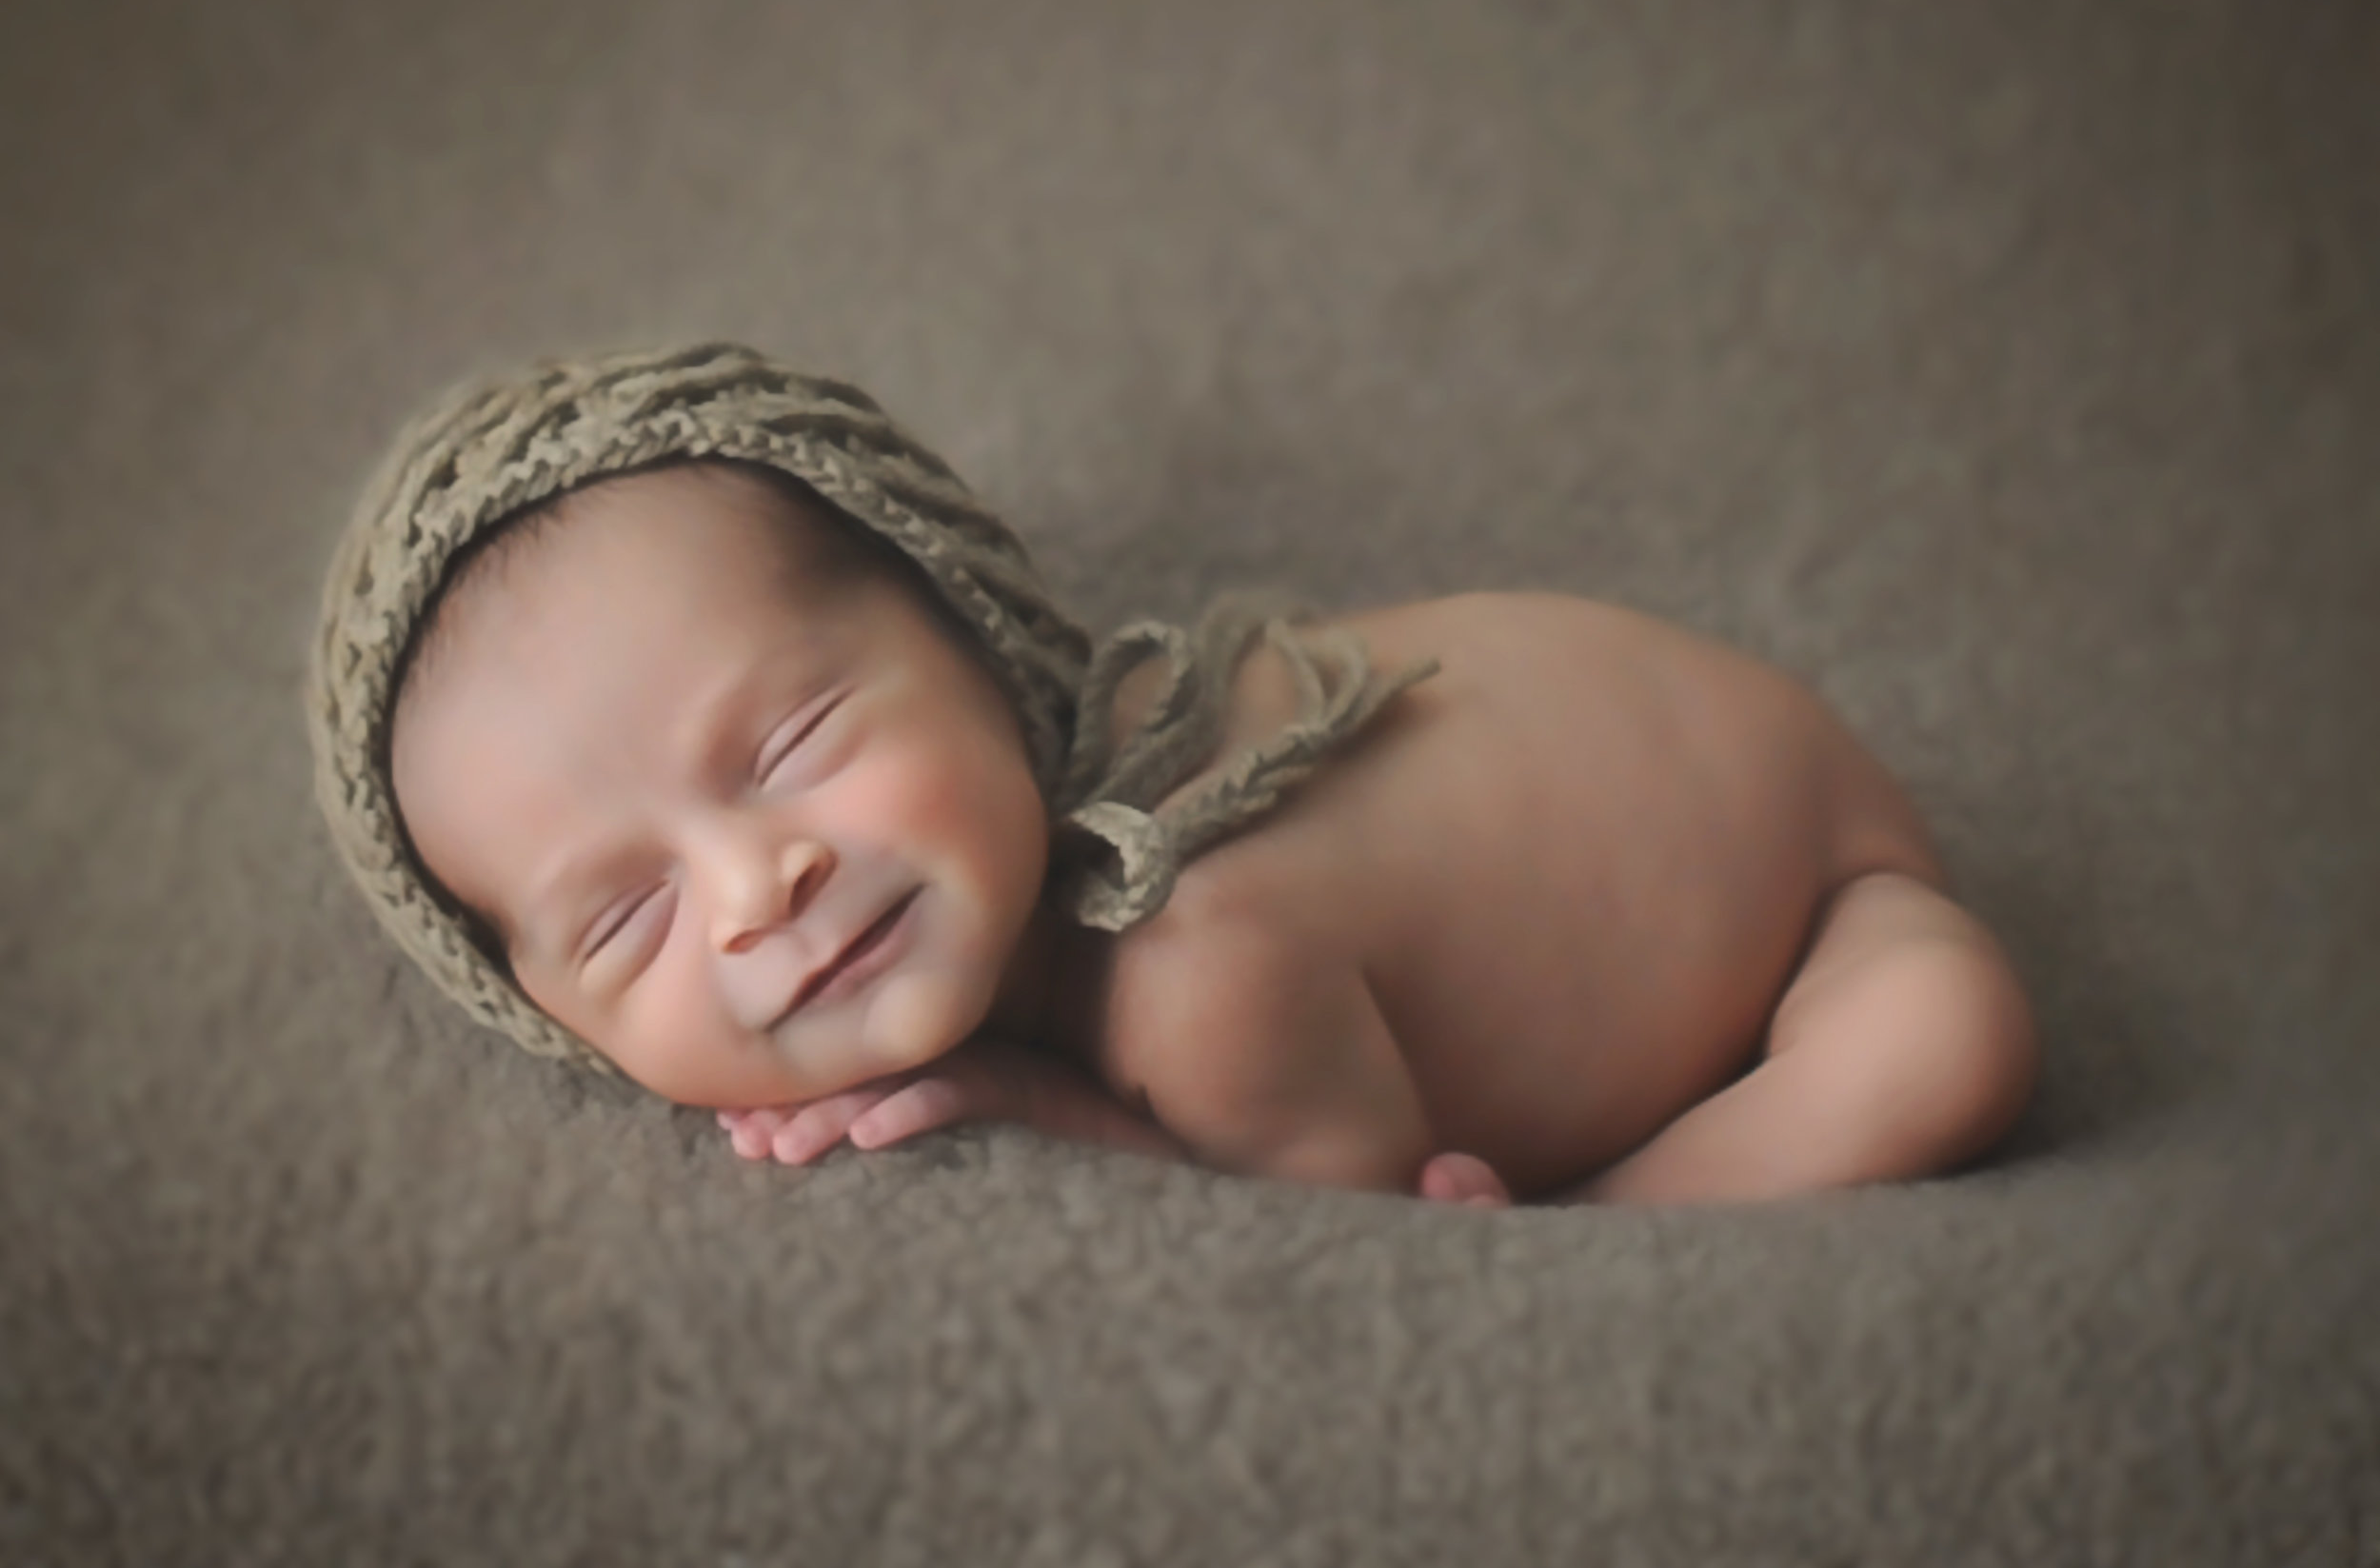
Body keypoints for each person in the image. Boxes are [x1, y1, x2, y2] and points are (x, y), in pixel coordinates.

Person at [310, 342, 2036, 1208]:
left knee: (1944, 1037)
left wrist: (1040, 1103)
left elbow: (1326, 1192)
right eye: (624, 920)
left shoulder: (1194, 947)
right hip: (1680, 742)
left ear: (979, 641)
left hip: (1823, 892)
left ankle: (1632, 1210)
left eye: (793, 747)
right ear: (538, 1011)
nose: (759, 887)